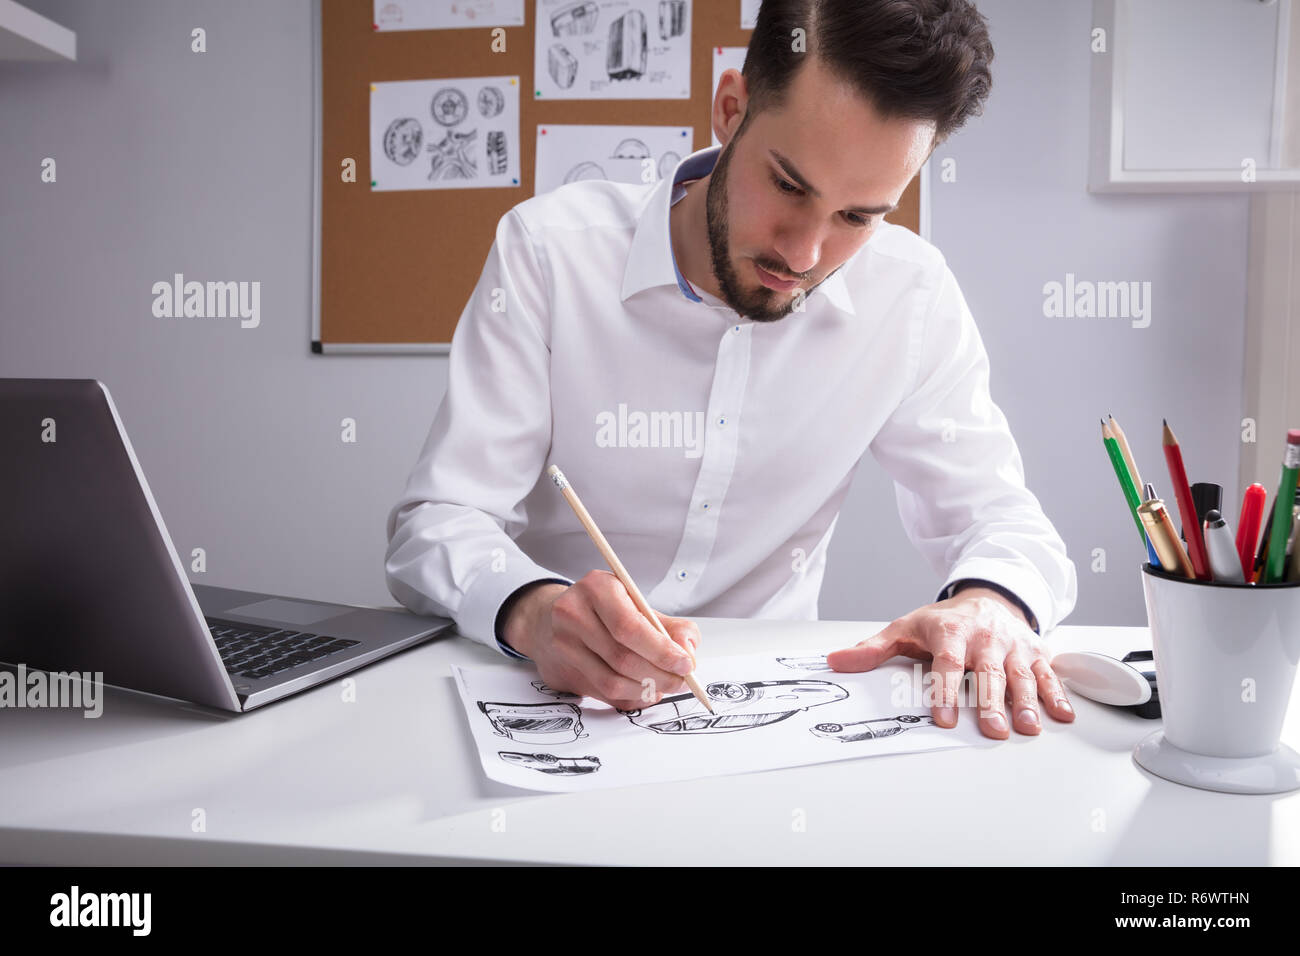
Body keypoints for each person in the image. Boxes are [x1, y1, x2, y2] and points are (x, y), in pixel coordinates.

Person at [386, 0, 1079, 740]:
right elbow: (438, 521)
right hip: (550, 707)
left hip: (768, 728)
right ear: (731, 108)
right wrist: (533, 611)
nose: (805, 256)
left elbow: (1005, 521)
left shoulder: (909, 295)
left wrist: (990, 601)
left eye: (858, 217)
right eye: (788, 185)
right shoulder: (551, 253)